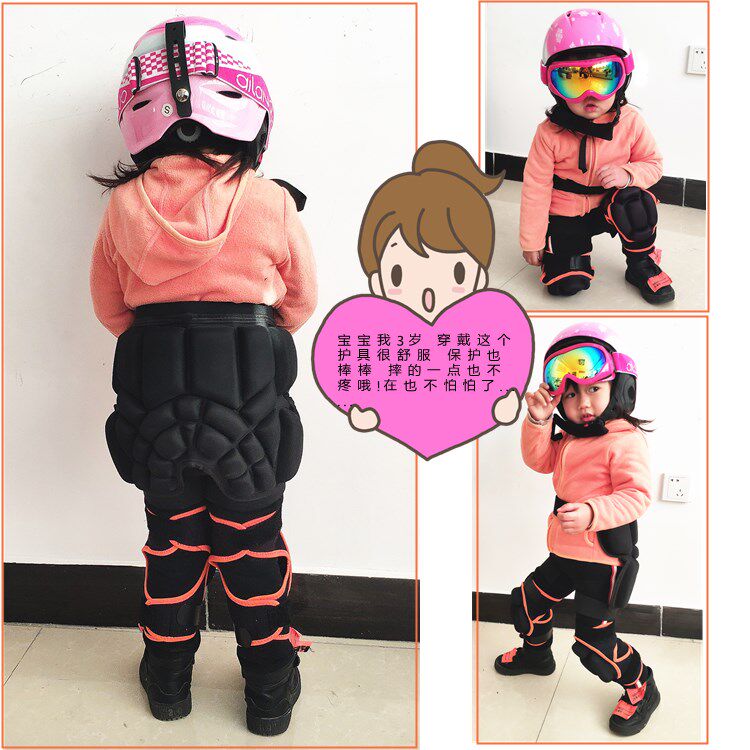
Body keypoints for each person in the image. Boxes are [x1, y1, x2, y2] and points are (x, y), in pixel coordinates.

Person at [89, 16, 317, 736]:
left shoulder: (124, 205)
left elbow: (110, 307)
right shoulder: (271, 200)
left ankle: (167, 681)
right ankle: (270, 689)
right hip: (250, 407)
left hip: (154, 408)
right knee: (252, 546)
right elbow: (300, 300)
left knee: (173, 546)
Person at [494, 322, 660, 737]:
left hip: (602, 563)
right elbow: (539, 461)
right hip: (564, 552)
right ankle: (537, 657)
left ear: (618, 388)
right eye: (570, 394)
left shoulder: (624, 440)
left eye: (593, 389)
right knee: (528, 603)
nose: (583, 403)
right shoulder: (571, 436)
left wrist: (591, 512)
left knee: (593, 645)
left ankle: (641, 685)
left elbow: (637, 495)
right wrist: (538, 421)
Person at [521, 8, 675, 304]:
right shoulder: (548, 133)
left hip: (610, 207)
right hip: (566, 213)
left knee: (636, 202)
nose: (589, 94)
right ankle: (568, 257)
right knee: (566, 285)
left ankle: (641, 264)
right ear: (553, 86)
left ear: (623, 77)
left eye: (603, 77)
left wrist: (627, 174)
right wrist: (532, 239)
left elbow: (653, 164)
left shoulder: (631, 122)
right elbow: (535, 188)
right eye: (573, 80)